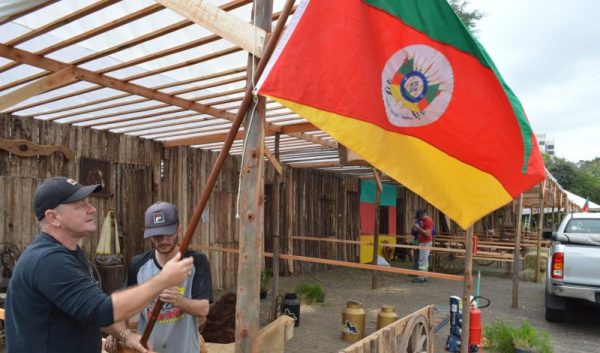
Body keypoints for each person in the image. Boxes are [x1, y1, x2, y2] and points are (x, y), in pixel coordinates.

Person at [5, 177, 194, 353]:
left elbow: (89, 309)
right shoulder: (48, 260)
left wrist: (126, 336)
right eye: (80, 205)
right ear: (53, 217)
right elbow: (103, 311)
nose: (92, 209)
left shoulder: (69, 253)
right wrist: (163, 280)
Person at [105, 201, 213, 353]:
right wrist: (119, 334)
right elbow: (123, 308)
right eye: (156, 236)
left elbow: (203, 309)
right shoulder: (138, 264)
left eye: (167, 234)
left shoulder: (195, 262)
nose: (162, 240)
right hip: (149, 349)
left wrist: (179, 301)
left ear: (179, 230)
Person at [412, 209, 434, 283]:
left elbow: (428, 233)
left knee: (422, 260)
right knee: (424, 260)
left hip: (426, 242)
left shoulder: (428, 221)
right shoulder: (424, 221)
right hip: (423, 242)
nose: (419, 219)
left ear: (422, 215)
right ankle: (424, 276)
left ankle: (421, 277)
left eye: (419, 217)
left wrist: (418, 228)